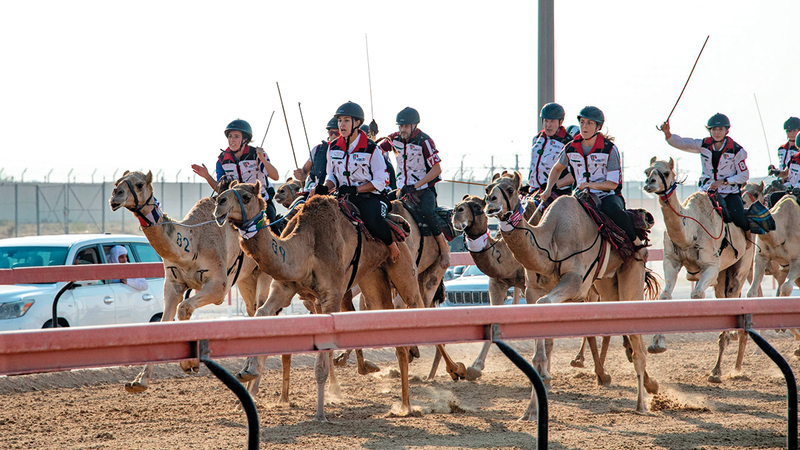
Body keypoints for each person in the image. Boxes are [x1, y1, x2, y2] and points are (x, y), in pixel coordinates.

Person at [314, 101, 399, 262]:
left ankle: (391, 246)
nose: (341, 125)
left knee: (373, 219)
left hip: (370, 198)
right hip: (343, 198)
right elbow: (331, 175)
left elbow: (381, 181)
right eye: (339, 121)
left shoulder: (371, 148)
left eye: (346, 120)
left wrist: (356, 190)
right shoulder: (332, 148)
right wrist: (325, 188)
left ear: (357, 123)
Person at [541, 106, 636, 242]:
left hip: (607, 196)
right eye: (582, 122)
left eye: (589, 123)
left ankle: (635, 243)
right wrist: (548, 189)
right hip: (579, 198)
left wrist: (589, 185)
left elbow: (613, 184)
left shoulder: (609, 149)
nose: (584, 126)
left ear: (598, 127)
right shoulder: (570, 147)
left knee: (613, 210)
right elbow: (557, 169)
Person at [659, 113, 751, 246]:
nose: (717, 132)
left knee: (738, 216)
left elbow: (744, 175)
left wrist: (724, 181)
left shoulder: (736, 150)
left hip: (728, 192)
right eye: (713, 129)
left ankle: (748, 242)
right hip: (706, 192)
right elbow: (682, 143)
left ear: (726, 130)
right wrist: (668, 134)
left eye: (720, 129)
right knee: (691, 214)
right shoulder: (703, 145)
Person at [379, 107, 450, 268]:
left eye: (405, 126)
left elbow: (437, 169)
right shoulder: (393, 139)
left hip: (423, 190)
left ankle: (444, 249)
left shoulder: (424, 141)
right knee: (380, 206)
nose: (402, 130)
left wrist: (416, 185)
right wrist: (372, 135)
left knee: (427, 212)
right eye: (400, 126)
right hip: (401, 191)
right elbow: (376, 150)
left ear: (414, 126)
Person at [191, 119, 282, 233]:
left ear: (245, 139)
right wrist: (207, 176)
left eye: (236, 136)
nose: (232, 140)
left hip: (260, 202)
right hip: (235, 206)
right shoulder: (222, 160)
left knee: (273, 230)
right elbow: (221, 189)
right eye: (230, 136)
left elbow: (275, 176)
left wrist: (262, 158)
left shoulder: (256, 154)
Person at [528, 102, 575, 197]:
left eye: (552, 121)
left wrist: (554, 185)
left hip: (557, 193)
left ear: (560, 122)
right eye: (546, 121)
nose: (548, 125)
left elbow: (574, 174)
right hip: (533, 192)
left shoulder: (569, 143)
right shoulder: (537, 139)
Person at [294, 117, 339, 191]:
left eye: (337, 133)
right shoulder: (317, 149)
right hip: (313, 190)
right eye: (331, 133)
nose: (333, 136)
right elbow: (305, 171)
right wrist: (300, 174)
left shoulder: (348, 150)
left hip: (336, 191)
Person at [770, 132, 800, 206]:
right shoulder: (794, 159)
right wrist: (776, 172)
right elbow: (785, 173)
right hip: (793, 192)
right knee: (773, 197)